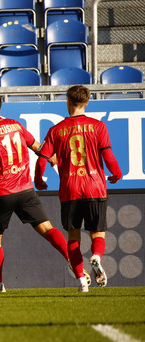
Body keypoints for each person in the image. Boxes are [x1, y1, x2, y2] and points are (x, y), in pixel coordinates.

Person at [0, 91, 89, 293]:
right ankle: (73, 261)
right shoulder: (17, 126)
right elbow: (39, 147)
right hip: (25, 190)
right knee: (47, 228)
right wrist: (55, 159)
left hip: (1, 193)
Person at [34, 85, 122, 289]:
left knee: (73, 237)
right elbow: (108, 156)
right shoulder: (98, 127)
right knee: (97, 234)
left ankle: (82, 282)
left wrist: (39, 178)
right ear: (87, 102)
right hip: (95, 187)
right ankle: (97, 257)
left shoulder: (56, 130)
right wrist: (116, 173)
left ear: (68, 102)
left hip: (70, 189)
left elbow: (42, 159)